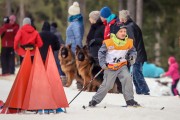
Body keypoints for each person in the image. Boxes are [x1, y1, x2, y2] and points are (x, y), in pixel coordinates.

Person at [89, 25, 140, 107]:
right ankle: (95, 100)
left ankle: (130, 100)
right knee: (107, 85)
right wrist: (102, 64)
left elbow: (133, 51)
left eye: (124, 31)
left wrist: (132, 57)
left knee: (127, 78)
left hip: (122, 66)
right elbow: (101, 53)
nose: (123, 33)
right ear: (115, 33)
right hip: (110, 67)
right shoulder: (109, 42)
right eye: (121, 31)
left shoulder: (128, 42)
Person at [119, 10, 150, 95]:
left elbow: (131, 42)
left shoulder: (129, 27)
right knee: (135, 74)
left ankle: (144, 91)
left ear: (123, 18)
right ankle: (139, 91)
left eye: (120, 17)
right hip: (137, 53)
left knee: (137, 73)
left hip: (137, 54)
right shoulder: (130, 25)